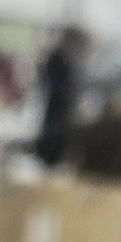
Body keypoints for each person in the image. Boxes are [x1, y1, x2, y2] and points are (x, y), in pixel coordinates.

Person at [34, 25, 88, 166]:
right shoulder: (58, 59)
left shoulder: (66, 61)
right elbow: (56, 87)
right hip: (56, 115)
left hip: (61, 115)